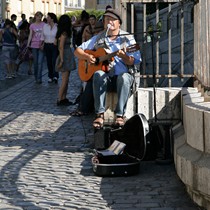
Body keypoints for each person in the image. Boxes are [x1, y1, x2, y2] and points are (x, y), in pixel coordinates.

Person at [74, 8, 141, 128]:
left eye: (112, 19)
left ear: (119, 23)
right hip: (106, 78)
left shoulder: (128, 38)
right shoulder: (99, 37)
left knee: (125, 77)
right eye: (106, 20)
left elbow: (133, 61)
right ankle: (99, 114)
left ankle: (120, 115)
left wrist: (123, 56)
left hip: (122, 80)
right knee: (98, 74)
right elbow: (78, 51)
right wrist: (88, 56)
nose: (109, 22)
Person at [55, 14, 76, 106]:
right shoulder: (64, 33)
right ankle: (60, 98)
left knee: (66, 79)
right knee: (65, 79)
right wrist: (62, 60)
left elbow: (56, 43)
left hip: (66, 54)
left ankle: (64, 97)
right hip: (65, 55)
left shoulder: (61, 32)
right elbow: (61, 47)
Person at [27, 11, 45, 84]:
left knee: (40, 62)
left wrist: (43, 43)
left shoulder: (44, 25)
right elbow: (30, 35)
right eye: (38, 16)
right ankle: (36, 76)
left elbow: (45, 35)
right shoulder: (32, 25)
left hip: (41, 45)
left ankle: (39, 78)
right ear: (35, 16)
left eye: (40, 16)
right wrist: (28, 44)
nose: (39, 18)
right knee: (35, 62)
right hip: (34, 45)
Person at [41, 12, 58, 83]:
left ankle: (55, 76)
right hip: (47, 45)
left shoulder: (57, 26)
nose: (46, 18)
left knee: (54, 60)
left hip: (54, 46)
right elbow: (42, 36)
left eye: (48, 17)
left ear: (52, 19)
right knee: (49, 61)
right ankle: (50, 76)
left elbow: (59, 36)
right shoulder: (45, 26)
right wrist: (42, 44)